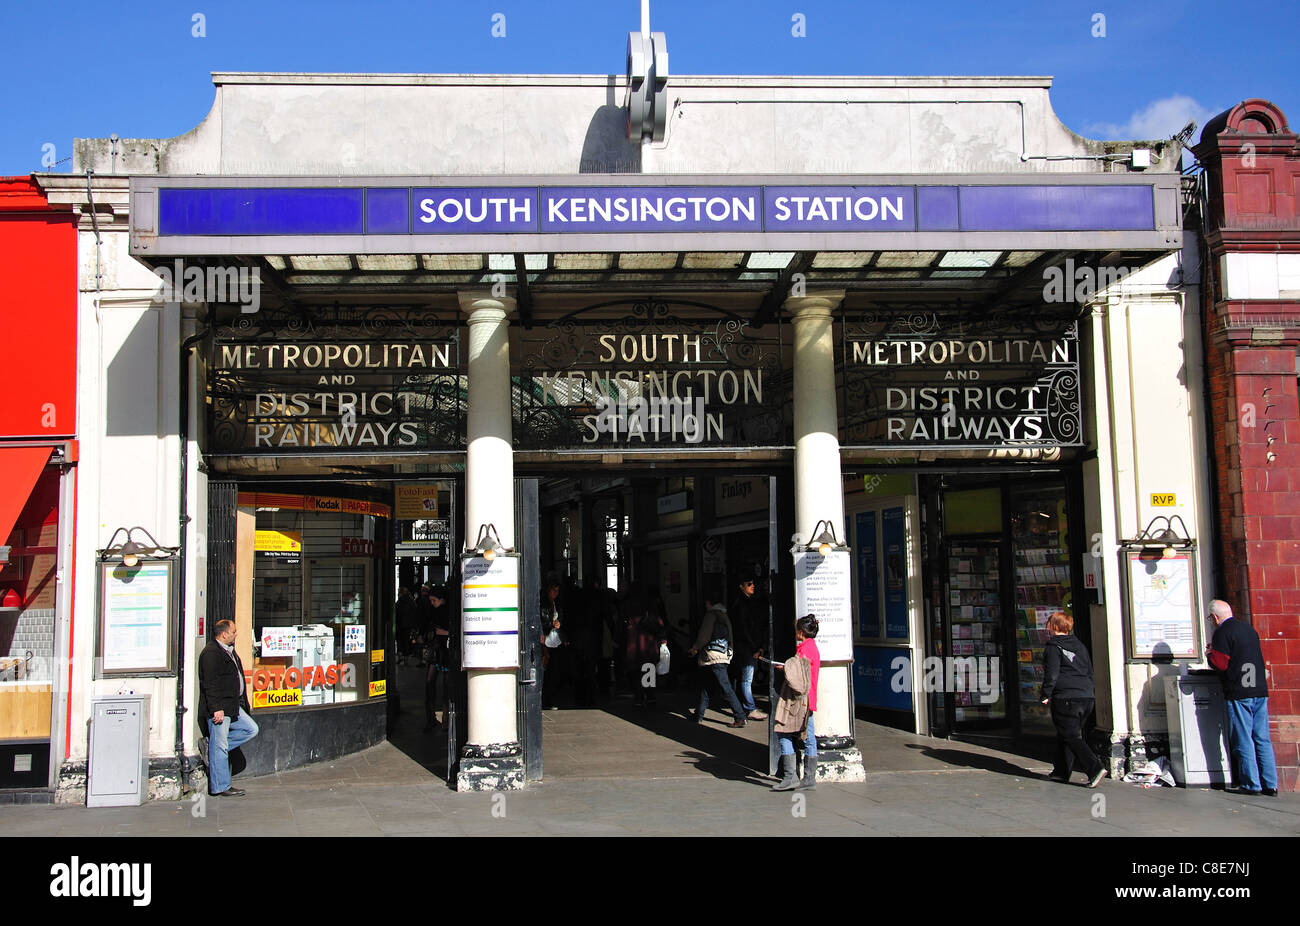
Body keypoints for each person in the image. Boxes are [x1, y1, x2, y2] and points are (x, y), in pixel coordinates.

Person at [1207, 599, 1278, 796]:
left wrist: (1210, 654)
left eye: (1210, 618)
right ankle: (1270, 784)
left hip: (1239, 692)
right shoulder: (1248, 629)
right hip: (1259, 690)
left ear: (1215, 616)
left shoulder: (1222, 632)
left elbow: (1221, 663)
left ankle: (1251, 784)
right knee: (1262, 738)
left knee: (1243, 738)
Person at [1039, 611, 1107, 788]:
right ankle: (1061, 772)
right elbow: (1089, 671)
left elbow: (1052, 673)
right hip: (1085, 697)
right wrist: (1088, 691)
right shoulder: (1080, 645)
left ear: (1054, 626)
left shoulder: (1054, 647)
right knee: (1066, 734)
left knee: (1071, 735)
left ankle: (1094, 768)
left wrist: (1046, 694)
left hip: (1066, 697)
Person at [198, 619, 259, 797]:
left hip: (232, 705)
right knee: (220, 744)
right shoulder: (211, 653)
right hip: (221, 707)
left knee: (250, 729)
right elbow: (210, 683)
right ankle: (220, 786)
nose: (236, 633)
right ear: (224, 634)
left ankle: (215, 751)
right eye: (233, 631)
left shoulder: (228, 651)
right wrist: (216, 708)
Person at [771, 614, 821, 790]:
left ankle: (790, 775)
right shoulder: (812, 648)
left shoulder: (804, 650)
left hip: (800, 701)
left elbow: (797, 678)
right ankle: (808, 777)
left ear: (801, 632)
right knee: (809, 737)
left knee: (783, 730)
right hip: (809, 700)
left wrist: (785, 667)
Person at [688, 597, 747, 727]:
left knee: (726, 687)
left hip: (713, 656)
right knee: (707, 686)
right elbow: (730, 636)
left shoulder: (711, 615)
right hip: (723, 655)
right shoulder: (724, 615)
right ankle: (699, 714)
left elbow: (704, 635)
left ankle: (740, 716)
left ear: (709, 603)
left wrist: (695, 648)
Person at [729, 576, 767, 720]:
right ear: (741, 586)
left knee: (741, 677)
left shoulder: (743, 603)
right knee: (746, 678)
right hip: (747, 646)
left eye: (753, 584)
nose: (753, 586)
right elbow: (745, 628)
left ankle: (741, 705)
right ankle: (749, 707)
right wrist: (755, 647)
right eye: (749, 584)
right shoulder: (743, 605)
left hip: (746, 645)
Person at [622, 586, 666, 707]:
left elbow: (621, 624)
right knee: (649, 669)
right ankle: (650, 695)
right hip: (648, 644)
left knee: (635, 671)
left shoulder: (627, 605)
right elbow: (659, 624)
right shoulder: (650, 605)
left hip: (633, 644)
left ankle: (638, 696)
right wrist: (663, 640)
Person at [423, 586, 452, 732]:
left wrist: (444, 632)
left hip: (443, 654)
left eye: (434, 600)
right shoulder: (433, 611)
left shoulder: (447, 612)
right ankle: (434, 718)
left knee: (441, 687)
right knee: (432, 686)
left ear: (441, 599)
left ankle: (443, 719)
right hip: (438, 653)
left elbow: (453, 630)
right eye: (431, 601)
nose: (432, 603)